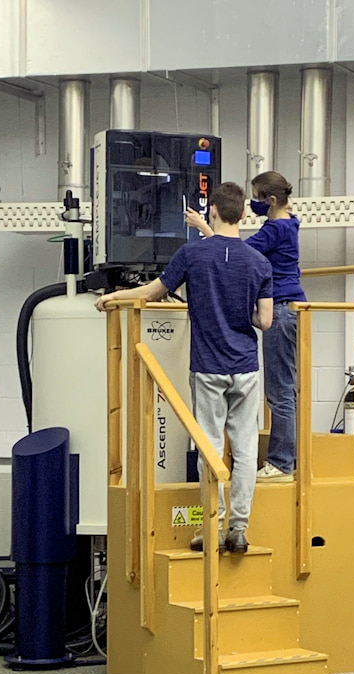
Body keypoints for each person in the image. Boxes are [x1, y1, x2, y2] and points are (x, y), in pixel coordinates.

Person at [96, 182, 273, 555]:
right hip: (245, 366)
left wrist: (114, 296)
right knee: (243, 449)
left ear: (211, 213)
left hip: (208, 367)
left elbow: (151, 293)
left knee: (208, 447)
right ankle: (238, 529)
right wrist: (242, 313)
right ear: (243, 214)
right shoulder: (259, 262)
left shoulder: (192, 254)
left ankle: (210, 527)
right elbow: (267, 321)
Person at [186, 170, 305, 483]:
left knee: (279, 392)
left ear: (273, 200)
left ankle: (281, 463)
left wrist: (203, 228)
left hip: (280, 309)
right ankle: (283, 459)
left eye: (258, 198)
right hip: (285, 310)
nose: (253, 204)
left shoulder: (276, 228)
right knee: (283, 389)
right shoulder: (287, 222)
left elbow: (236, 253)